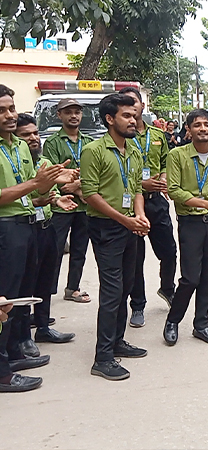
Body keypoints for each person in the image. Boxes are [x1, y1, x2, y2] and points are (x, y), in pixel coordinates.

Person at [0, 85, 74, 392]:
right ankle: (2, 371)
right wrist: (35, 184)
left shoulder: (19, 146)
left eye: (11, 108)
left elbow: (36, 192)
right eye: (2, 110)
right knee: (4, 299)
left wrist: (55, 186)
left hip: (27, 225)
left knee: (21, 295)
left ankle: (15, 352)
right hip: (6, 228)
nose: (9, 115)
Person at [80, 93, 150, 381]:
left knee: (127, 285)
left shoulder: (132, 151)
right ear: (110, 119)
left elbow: (136, 189)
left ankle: (118, 339)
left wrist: (140, 216)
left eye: (134, 115)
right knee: (112, 290)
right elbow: (90, 194)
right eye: (126, 115)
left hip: (129, 224)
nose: (133, 120)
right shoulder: (94, 151)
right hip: (106, 227)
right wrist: (125, 220)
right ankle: (103, 357)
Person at [163, 109, 208, 347]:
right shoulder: (177, 156)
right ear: (189, 130)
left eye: (207, 124)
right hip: (190, 223)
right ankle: (173, 320)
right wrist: (207, 204)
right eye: (197, 125)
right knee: (191, 278)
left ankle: (201, 324)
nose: (202, 128)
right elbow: (174, 191)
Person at [15, 114, 77, 344]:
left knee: (46, 279)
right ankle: (22, 337)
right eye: (25, 135)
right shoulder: (16, 163)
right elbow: (18, 199)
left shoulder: (45, 163)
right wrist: (38, 201)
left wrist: (56, 198)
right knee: (25, 283)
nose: (33, 138)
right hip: (23, 228)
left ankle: (43, 326)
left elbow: (54, 189)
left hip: (46, 225)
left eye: (35, 133)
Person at [119, 87, 177, 328]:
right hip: (131, 203)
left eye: (135, 103)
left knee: (169, 251)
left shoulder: (157, 134)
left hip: (156, 201)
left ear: (143, 106)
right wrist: (141, 183)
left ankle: (167, 289)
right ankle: (138, 305)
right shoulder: (122, 138)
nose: (133, 108)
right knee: (135, 258)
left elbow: (165, 161)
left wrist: (162, 177)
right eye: (127, 104)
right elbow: (120, 173)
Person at [43, 98, 95, 304]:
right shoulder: (53, 143)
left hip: (85, 206)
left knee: (80, 249)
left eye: (77, 112)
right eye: (68, 112)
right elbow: (53, 174)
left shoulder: (90, 142)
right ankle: (47, 291)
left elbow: (95, 173)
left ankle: (73, 288)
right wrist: (69, 188)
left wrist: (79, 187)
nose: (73, 115)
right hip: (61, 206)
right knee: (54, 250)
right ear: (60, 115)